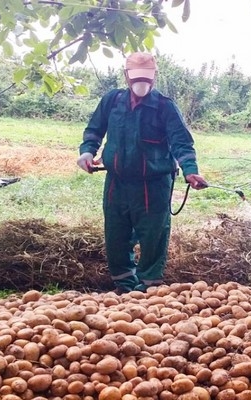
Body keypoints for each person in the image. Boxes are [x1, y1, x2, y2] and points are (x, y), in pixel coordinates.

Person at [76, 52, 207, 294]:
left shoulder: (165, 107)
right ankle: (124, 289)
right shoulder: (112, 101)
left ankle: (148, 291)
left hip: (153, 185)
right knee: (116, 235)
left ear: (154, 77)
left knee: (153, 237)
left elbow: (182, 143)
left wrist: (191, 171)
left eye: (147, 79)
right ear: (126, 76)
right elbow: (94, 130)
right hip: (117, 182)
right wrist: (87, 153)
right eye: (136, 78)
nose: (141, 84)